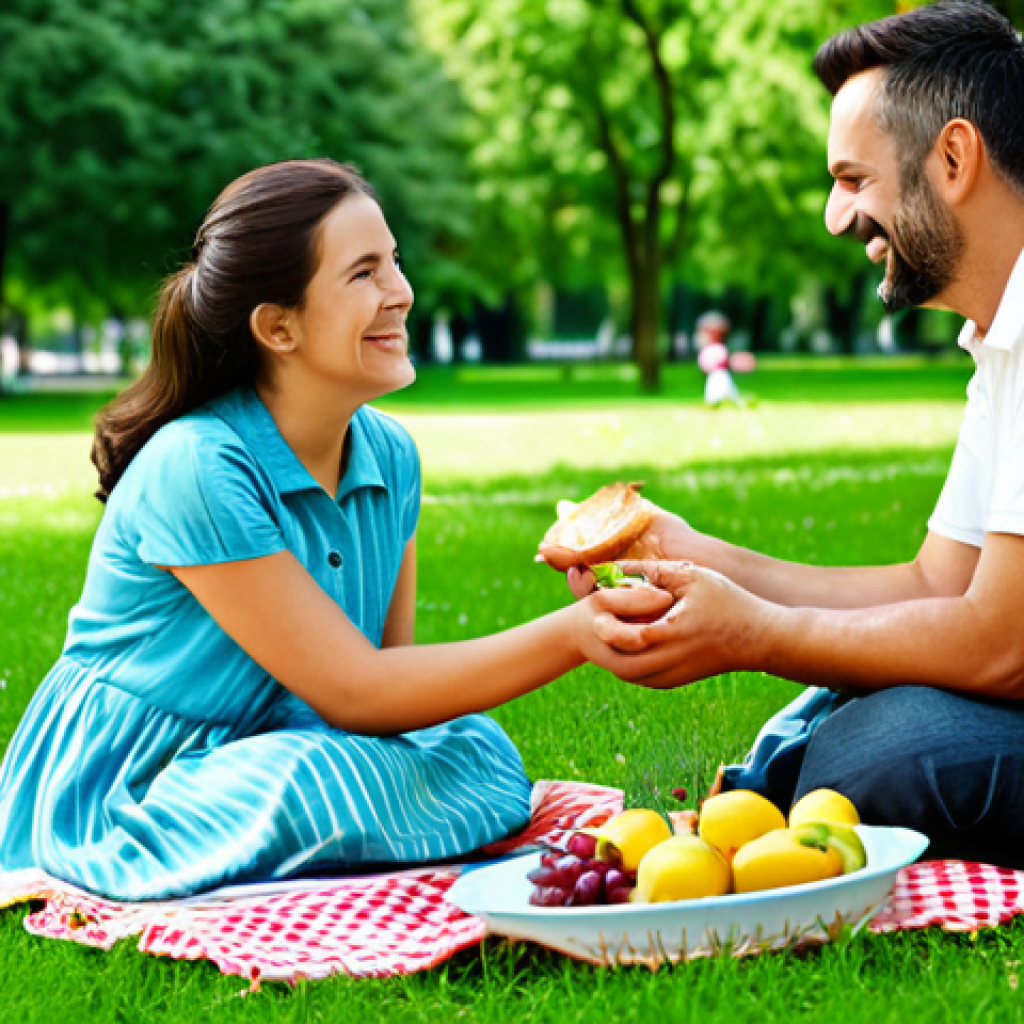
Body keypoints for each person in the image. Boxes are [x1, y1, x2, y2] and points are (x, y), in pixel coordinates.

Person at [0, 159, 671, 901]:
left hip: (293, 738)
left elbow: (392, 682)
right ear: (277, 327)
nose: (401, 292)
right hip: (134, 782)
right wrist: (577, 633)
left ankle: (329, 832)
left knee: (478, 751)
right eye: (364, 273)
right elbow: (357, 692)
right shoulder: (198, 465)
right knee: (309, 783)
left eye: (394, 261)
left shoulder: (390, 456)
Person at [544, 2, 1024, 865]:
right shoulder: (999, 340)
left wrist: (755, 635)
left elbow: (1001, 644)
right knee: (841, 712)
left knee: (873, 752)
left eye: (854, 179)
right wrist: (697, 559)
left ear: (954, 159)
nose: (837, 217)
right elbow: (935, 585)